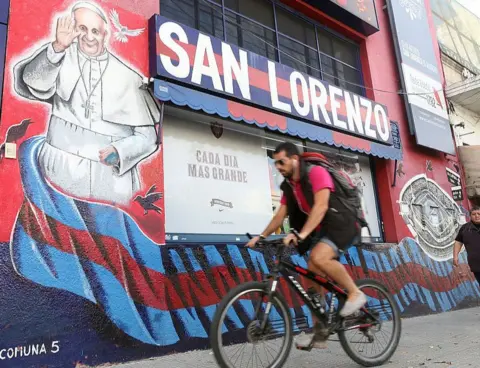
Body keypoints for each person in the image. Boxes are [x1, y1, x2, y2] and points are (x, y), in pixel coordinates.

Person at [13, 2, 160, 205]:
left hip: (110, 179)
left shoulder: (129, 77)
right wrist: (57, 48)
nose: (89, 37)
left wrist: (120, 151)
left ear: (105, 35)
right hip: (58, 169)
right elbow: (32, 82)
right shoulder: (59, 57)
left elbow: (148, 138)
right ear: (73, 29)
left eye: (95, 31)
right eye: (82, 29)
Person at [247, 142, 366, 349]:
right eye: (275, 163)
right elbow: (280, 215)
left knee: (319, 257)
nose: (278, 167)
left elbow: (321, 206)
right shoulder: (290, 186)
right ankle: (320, 332)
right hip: (323, 229)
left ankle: (355, 293)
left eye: (281, 162)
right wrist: (261, 236)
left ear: (294, 159)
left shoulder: (316, 172)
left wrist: (301, 234)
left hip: (344, 222)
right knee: (311, 274)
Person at [453, 206, 480, 283]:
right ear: (470, 216)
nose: (477, 216)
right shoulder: (465, 228)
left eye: (479, 214)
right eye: (474, 214)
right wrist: (455, 256)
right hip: (476, 265)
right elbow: (458, 242)